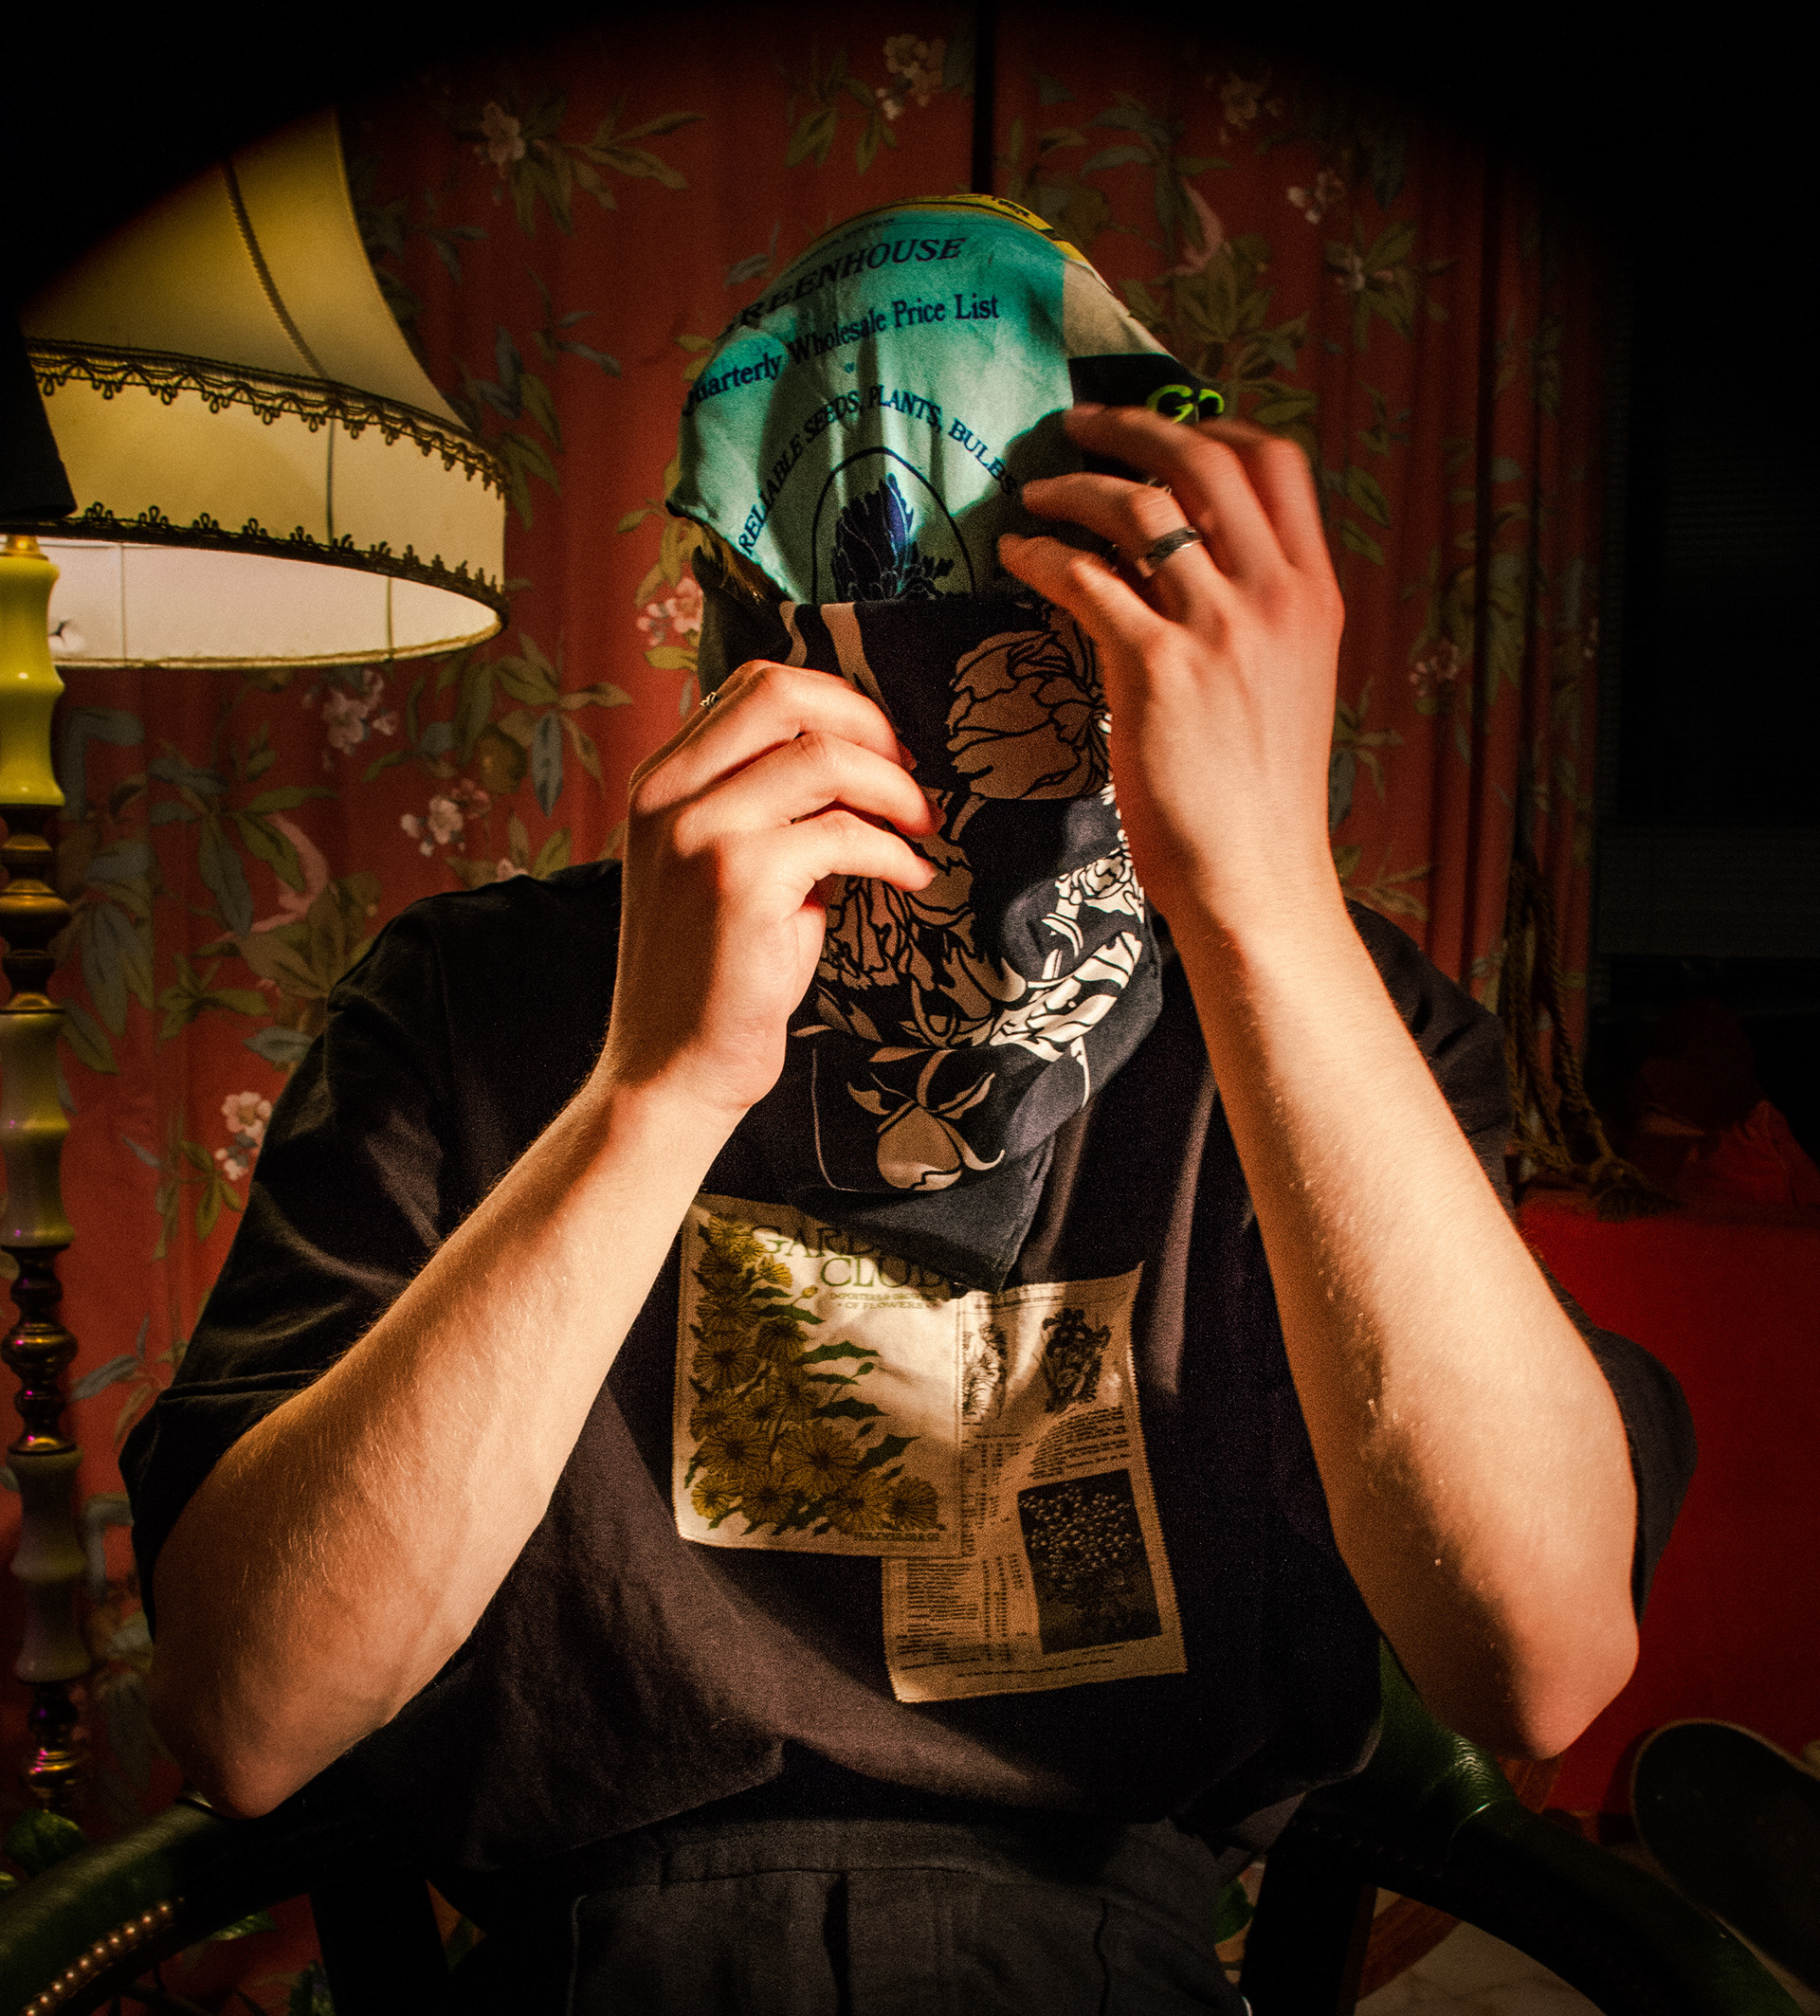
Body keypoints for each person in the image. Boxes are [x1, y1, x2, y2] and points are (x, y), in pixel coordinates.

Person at [123, 209, 1693, 2013]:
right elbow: (248, 1714)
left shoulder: (1336, 1026)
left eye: (1046, 665)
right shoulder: (470, 1005)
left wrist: (1266, 904)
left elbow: (1541, 1662)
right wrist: (657, 1090)